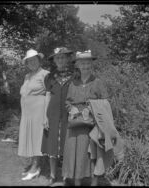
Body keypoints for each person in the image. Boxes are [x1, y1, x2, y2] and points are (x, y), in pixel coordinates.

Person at [62, 50, 109, 186]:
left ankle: (93, 183)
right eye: (82, 63)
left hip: (91, 126)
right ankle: (77, 183)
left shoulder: (98, 82)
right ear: (77, 65)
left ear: (91, 64)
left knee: (92, 155)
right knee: (75, 154)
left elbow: (105, 101)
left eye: (88, 62)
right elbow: (67, 101)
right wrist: (72, 108)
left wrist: (91, 108)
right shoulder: (73, 83)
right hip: (75, 125)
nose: (85, 65)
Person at [41, 47, 74, 185]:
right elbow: (47, 95)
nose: (60, 60)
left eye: (63, 57)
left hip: (69, 114)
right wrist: (44, 116)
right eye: (57, 57)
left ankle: (66, 176)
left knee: (67, 146)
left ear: (67, 59)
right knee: (52, 147)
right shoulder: (49, 76)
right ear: (54, 60)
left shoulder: (75, 75)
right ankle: (53, 175)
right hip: (53, 114)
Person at [18, 49, 50, 181]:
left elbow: (49, 93)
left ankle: (36, 168)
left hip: (38, 112)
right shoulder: (27, 76)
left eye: (34, 60)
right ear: (27, 63)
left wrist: (46, 115)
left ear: (39, 60)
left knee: (37, 140)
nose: (31, 62)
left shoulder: (45, 74)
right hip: (27, 114)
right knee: (30, 139)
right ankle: (34, 165)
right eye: (29, 61)